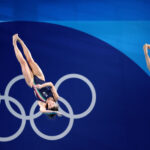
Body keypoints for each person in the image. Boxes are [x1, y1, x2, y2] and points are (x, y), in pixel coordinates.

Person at [12, 33, 61, 118]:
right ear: (55, 104)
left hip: (31, 82)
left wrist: (52, 111)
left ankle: (14, 43)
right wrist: (42, 85)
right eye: (52, 104)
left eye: (49, 106)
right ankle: (20, 41)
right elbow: (51, 84)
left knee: (23, 63)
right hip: (40, 78)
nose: (50, 104)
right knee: (30, 60)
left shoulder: (42, 103)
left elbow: (42, 110)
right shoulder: (56, 97)